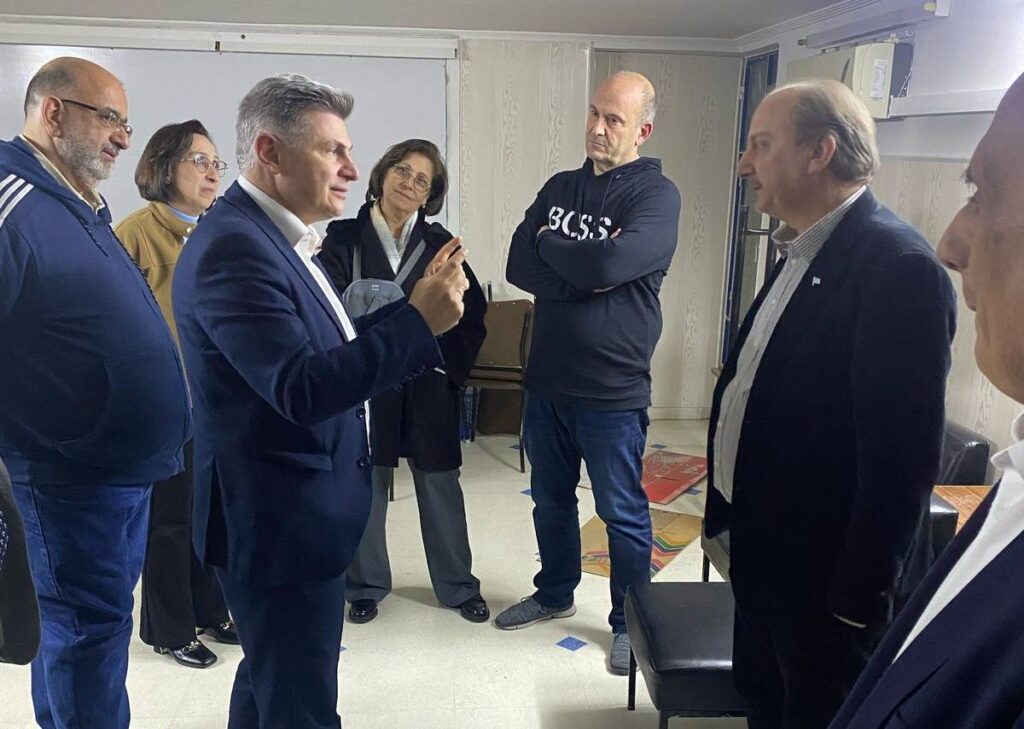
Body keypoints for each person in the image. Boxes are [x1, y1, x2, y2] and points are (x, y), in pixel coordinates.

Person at [172, 73, 469, 729]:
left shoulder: (275, 236)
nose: (352, 170)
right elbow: (300, 386)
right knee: (300, 707)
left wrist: (411, 320)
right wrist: (416, 323)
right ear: (270, 153)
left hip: (289, 518)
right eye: (333, 151)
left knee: (271, 681)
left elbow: (327, 344)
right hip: (278, 525)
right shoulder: (236, 248)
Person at [703, 79, 957, 729]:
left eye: (761, 145)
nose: (744, 164)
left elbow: (900, 464)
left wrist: (856, 605)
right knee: (762, 704)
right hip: (764, 557)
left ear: (819, 152)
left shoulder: (898, 268)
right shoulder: (800, 246)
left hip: (824, 595)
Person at [828, 71, 1024, 729]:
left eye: (982, 193)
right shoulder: (1015, 482)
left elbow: (899, 453)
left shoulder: (898, 265)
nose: (951, 244)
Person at [0, 57, 192, 727]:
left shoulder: (80, 203)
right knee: (85, 632)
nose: (123, 137)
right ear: (53, 112)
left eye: (125, 123)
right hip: (66, 478)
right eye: (109, 118)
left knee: (87, 628)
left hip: (117, 471)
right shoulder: (11, 200)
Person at [500, 70, 681, 675]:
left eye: (614, 120)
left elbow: (611, 262)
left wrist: (556, 247)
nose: (598, 128)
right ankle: (554, 592)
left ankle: (630, 622)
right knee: (549, 499)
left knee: (621, 512)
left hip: (613, 389)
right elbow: (518, 262)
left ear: (642, 132)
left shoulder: (657, 197)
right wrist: (583, 274)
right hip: (547, 381)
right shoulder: (560, 186)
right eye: (595, 113)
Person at [318, 138, 489, 625]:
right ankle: (365, 585)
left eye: (422, 180)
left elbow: (470, 314)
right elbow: (324, 311)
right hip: (366, 382)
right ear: (382, 174)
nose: (409, 183)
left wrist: (444, 367)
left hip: (425, 382)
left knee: (440, 485)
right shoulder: (343, 239)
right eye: (402, 170)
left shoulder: (441, 246)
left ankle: (458, 586)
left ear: (430, 195)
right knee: (365, 486)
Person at [115, 120, 236, 668]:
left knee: (211, 514)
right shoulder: (134, 234)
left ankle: (209, 609)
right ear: (165, 167)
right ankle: (169, 629)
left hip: (217, 400)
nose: (212, 173)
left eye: (216, 163)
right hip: (167, 404)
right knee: (169, 521)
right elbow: (118, 329)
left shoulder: (218, 232)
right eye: (199, 161)